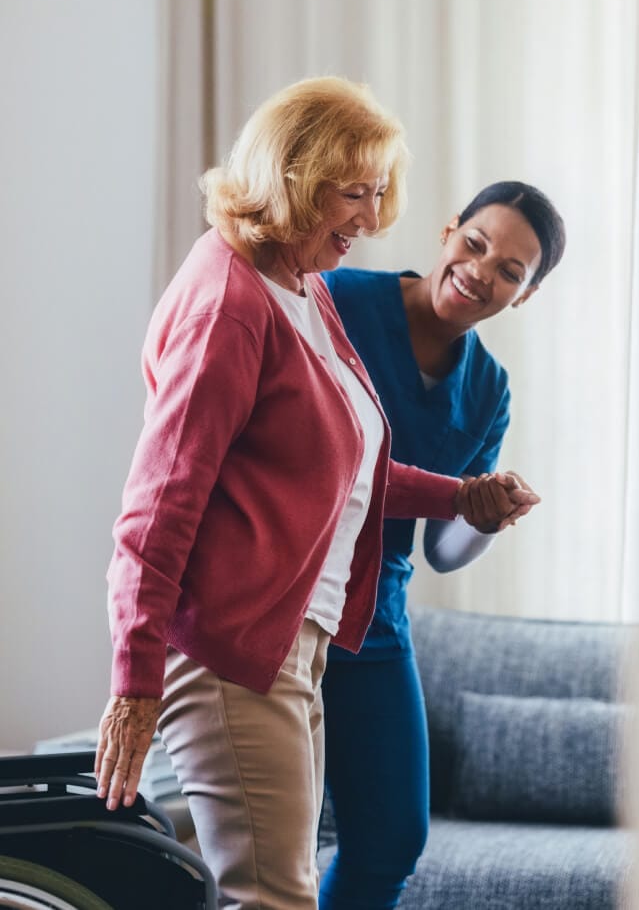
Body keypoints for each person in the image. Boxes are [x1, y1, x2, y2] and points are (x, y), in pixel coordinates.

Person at [94, 79, 540, 910]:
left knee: (282, 888)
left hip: (301, 638)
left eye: (378, 195)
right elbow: (160, 505)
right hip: (236, 647)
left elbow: (351, 474)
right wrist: (134, 680)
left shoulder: (298, 289)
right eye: (353, 193)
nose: (371, 220)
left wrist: (467, 499)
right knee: (273, 897)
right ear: (295, 173)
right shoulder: (232, 299)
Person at [318, 180, 566, 910]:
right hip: (285, 594)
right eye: (476, 243)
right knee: (271, 842)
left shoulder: (488, 389)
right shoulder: (334, 299)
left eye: (511, 271)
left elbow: (442, 551)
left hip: (375, 623)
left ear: (524, 295)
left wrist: (482, 517)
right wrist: (458, 494)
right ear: (448, 231)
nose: (482, 271)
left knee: (392, 840)